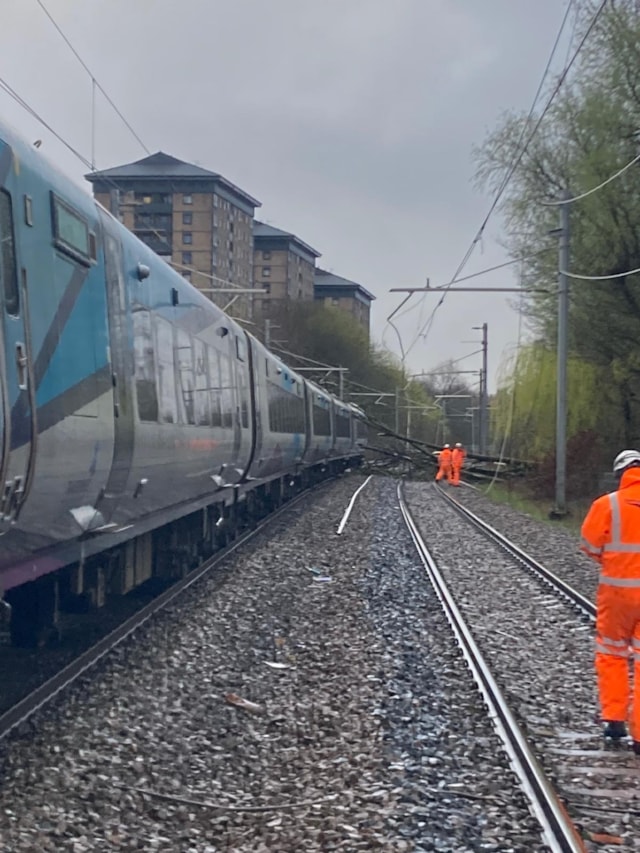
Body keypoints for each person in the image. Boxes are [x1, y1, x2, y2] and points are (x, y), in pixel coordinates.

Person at [580, 449, 640, 752]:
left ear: (620, 474)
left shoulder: (607, 504)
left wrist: (613, 559)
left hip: (617, 594)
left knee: (613, 654)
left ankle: (614, 721)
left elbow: (589, 544)